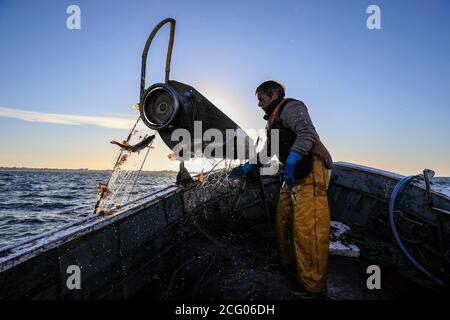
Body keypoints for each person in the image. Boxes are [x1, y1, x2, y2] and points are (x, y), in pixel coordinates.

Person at [231, 80, 333, 298]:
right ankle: (290, 266)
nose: (259, 104)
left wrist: (295, 157)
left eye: (261, 98)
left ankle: (314, 287)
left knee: (309, 228)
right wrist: (250, 165)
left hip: (311, 169)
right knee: (284, 218)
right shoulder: (273, 121)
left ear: (274, 94)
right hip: (293, 173)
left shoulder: (292, 108)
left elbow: (307, 134)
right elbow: (268, 150)